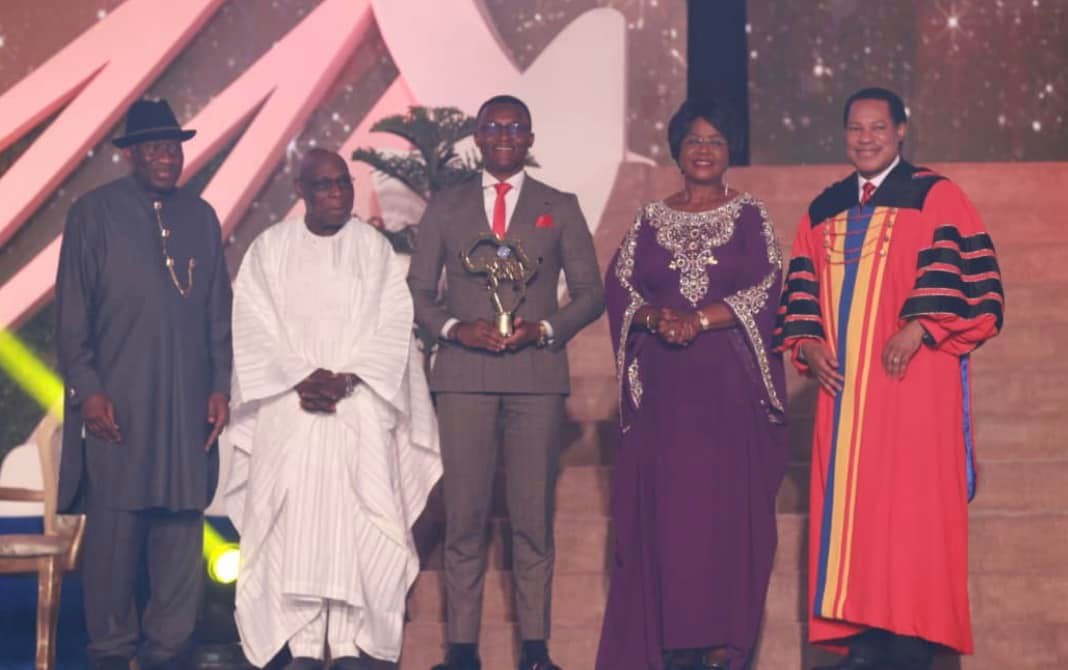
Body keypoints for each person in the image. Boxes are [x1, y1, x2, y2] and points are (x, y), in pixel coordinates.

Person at [774, 87, 1004, 670]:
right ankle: (867, 638)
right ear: (844, 134)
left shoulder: (937, 196)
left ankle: (912, 643)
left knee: (912, 515)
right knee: (855, 518)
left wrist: (922, 326)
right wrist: (806, 343)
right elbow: (800, 297)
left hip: (913, 391)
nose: (866, 138)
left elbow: (978, 288)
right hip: (845, 397)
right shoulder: (822, 210)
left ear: (901, 130)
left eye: (878, 127)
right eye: (856, 128)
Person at [222, 149, 441, 669]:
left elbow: (391, 325)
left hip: (359, 407)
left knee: (361, 526)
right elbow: (252, 327)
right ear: (302, 191)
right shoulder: (269, 249)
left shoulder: (373, 250)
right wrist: (300, 375)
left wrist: (347, 376)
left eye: (344, 183)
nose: (338, 193)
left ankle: (348, 646)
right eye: (324, 186)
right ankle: (299, 645)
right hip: (288, 412)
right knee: (288, 527)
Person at [407, 94, 604, 670]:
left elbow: (590, 294)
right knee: (464, 516)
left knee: (532, 515)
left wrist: (544, 327)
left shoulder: (558, 206)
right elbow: (417, 292)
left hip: (535, 378)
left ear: (530, 138)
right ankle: (462, 650)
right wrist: (454, 328)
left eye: (515, 127)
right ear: (477, 135)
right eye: (493, 126)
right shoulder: (446, 205)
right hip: (464, 379)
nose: (503, 135)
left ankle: (535, 650)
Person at [595, 99, 789, 670]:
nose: (704, 149)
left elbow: (768, 287)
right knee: (670, 520)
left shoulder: (751, 216)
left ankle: (717, 643)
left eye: (716, 140)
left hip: (727, 395)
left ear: (730, 152)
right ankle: (672, 643)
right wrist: (657, 319)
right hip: (665, 399)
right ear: (677, 149)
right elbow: (621, 288)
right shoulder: (650, 220)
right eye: (694, 140)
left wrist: (699, 318)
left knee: (720, 518)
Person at [55, 98, 233, 670]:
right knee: (112, 544)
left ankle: (165, 654)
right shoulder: (93, 214)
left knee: (181, 539)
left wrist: (219, 386)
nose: (167, 156)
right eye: (154, 147)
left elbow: (216, 314)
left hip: (185, 410)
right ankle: (110, 654)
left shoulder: (201, 217)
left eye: (174, 146)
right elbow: (72, 315)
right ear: (130, 154)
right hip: (118, 407)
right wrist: (88, 389)